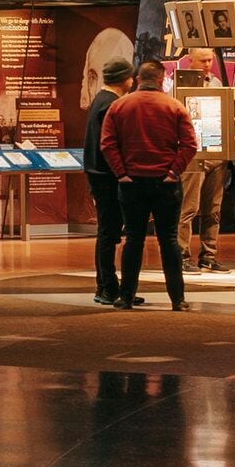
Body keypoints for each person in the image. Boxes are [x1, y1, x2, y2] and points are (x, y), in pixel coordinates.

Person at [97, 60, 200, 309]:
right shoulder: (174, 106)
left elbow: (107, 144)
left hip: (131, 183)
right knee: (169, 240)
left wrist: (121, 173)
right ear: (162, 79)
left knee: (134, 240)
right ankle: (177, 299)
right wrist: (174, 172)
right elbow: (189, 145)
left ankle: (126, 297)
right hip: (166, 184)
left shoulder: (119, 106)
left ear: (138, 78)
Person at [79, 57, 134, 306]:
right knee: (108, 234)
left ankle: (108, 286)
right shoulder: (111, 104)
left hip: (99, 174)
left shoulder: (100, 100)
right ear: (125, 79)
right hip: (108, 177)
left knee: (107, 233)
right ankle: (107, 288)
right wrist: (123, 173)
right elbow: (110, 145)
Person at [171, 63, 230, 273]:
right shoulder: (176, 86)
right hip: (191, 156)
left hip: (215, 153)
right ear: (191, 61)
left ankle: (208, 256)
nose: (207, 64)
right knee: (188, 208)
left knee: (213, 209)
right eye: (203, 60)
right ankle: (181, 255)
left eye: (209, 60)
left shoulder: (216, 83)